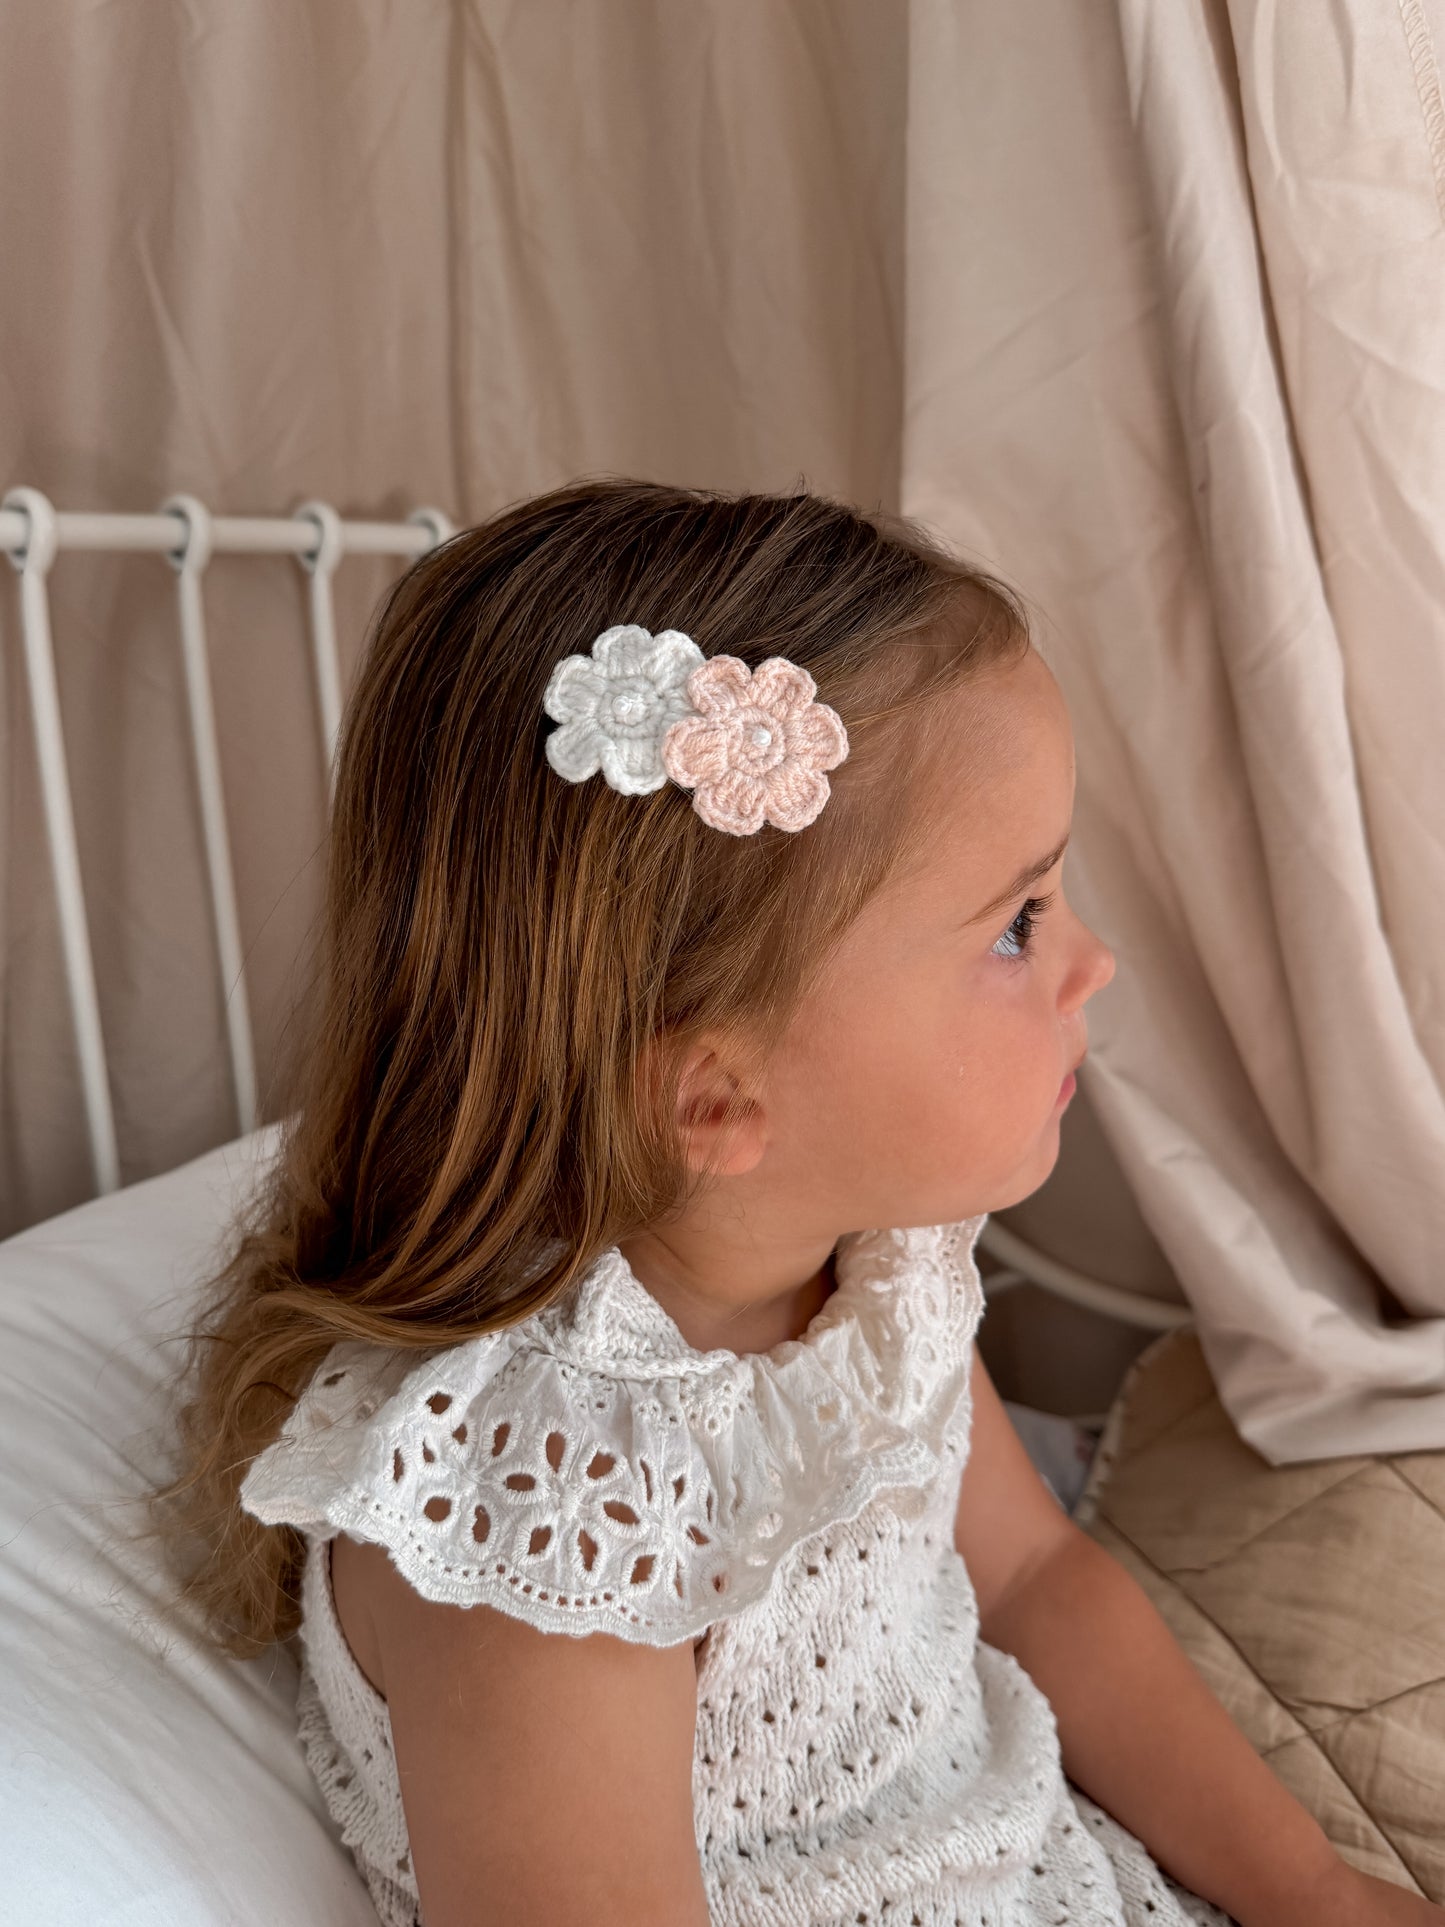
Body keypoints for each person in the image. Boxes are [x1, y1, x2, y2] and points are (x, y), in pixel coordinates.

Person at [153, 481, 1441, 1927]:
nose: (1093, 965)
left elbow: (1031, 1581)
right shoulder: (557, 1521)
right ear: (715, 1101)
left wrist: (1319, 1895)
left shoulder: (876, 1263)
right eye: (1016, 925)